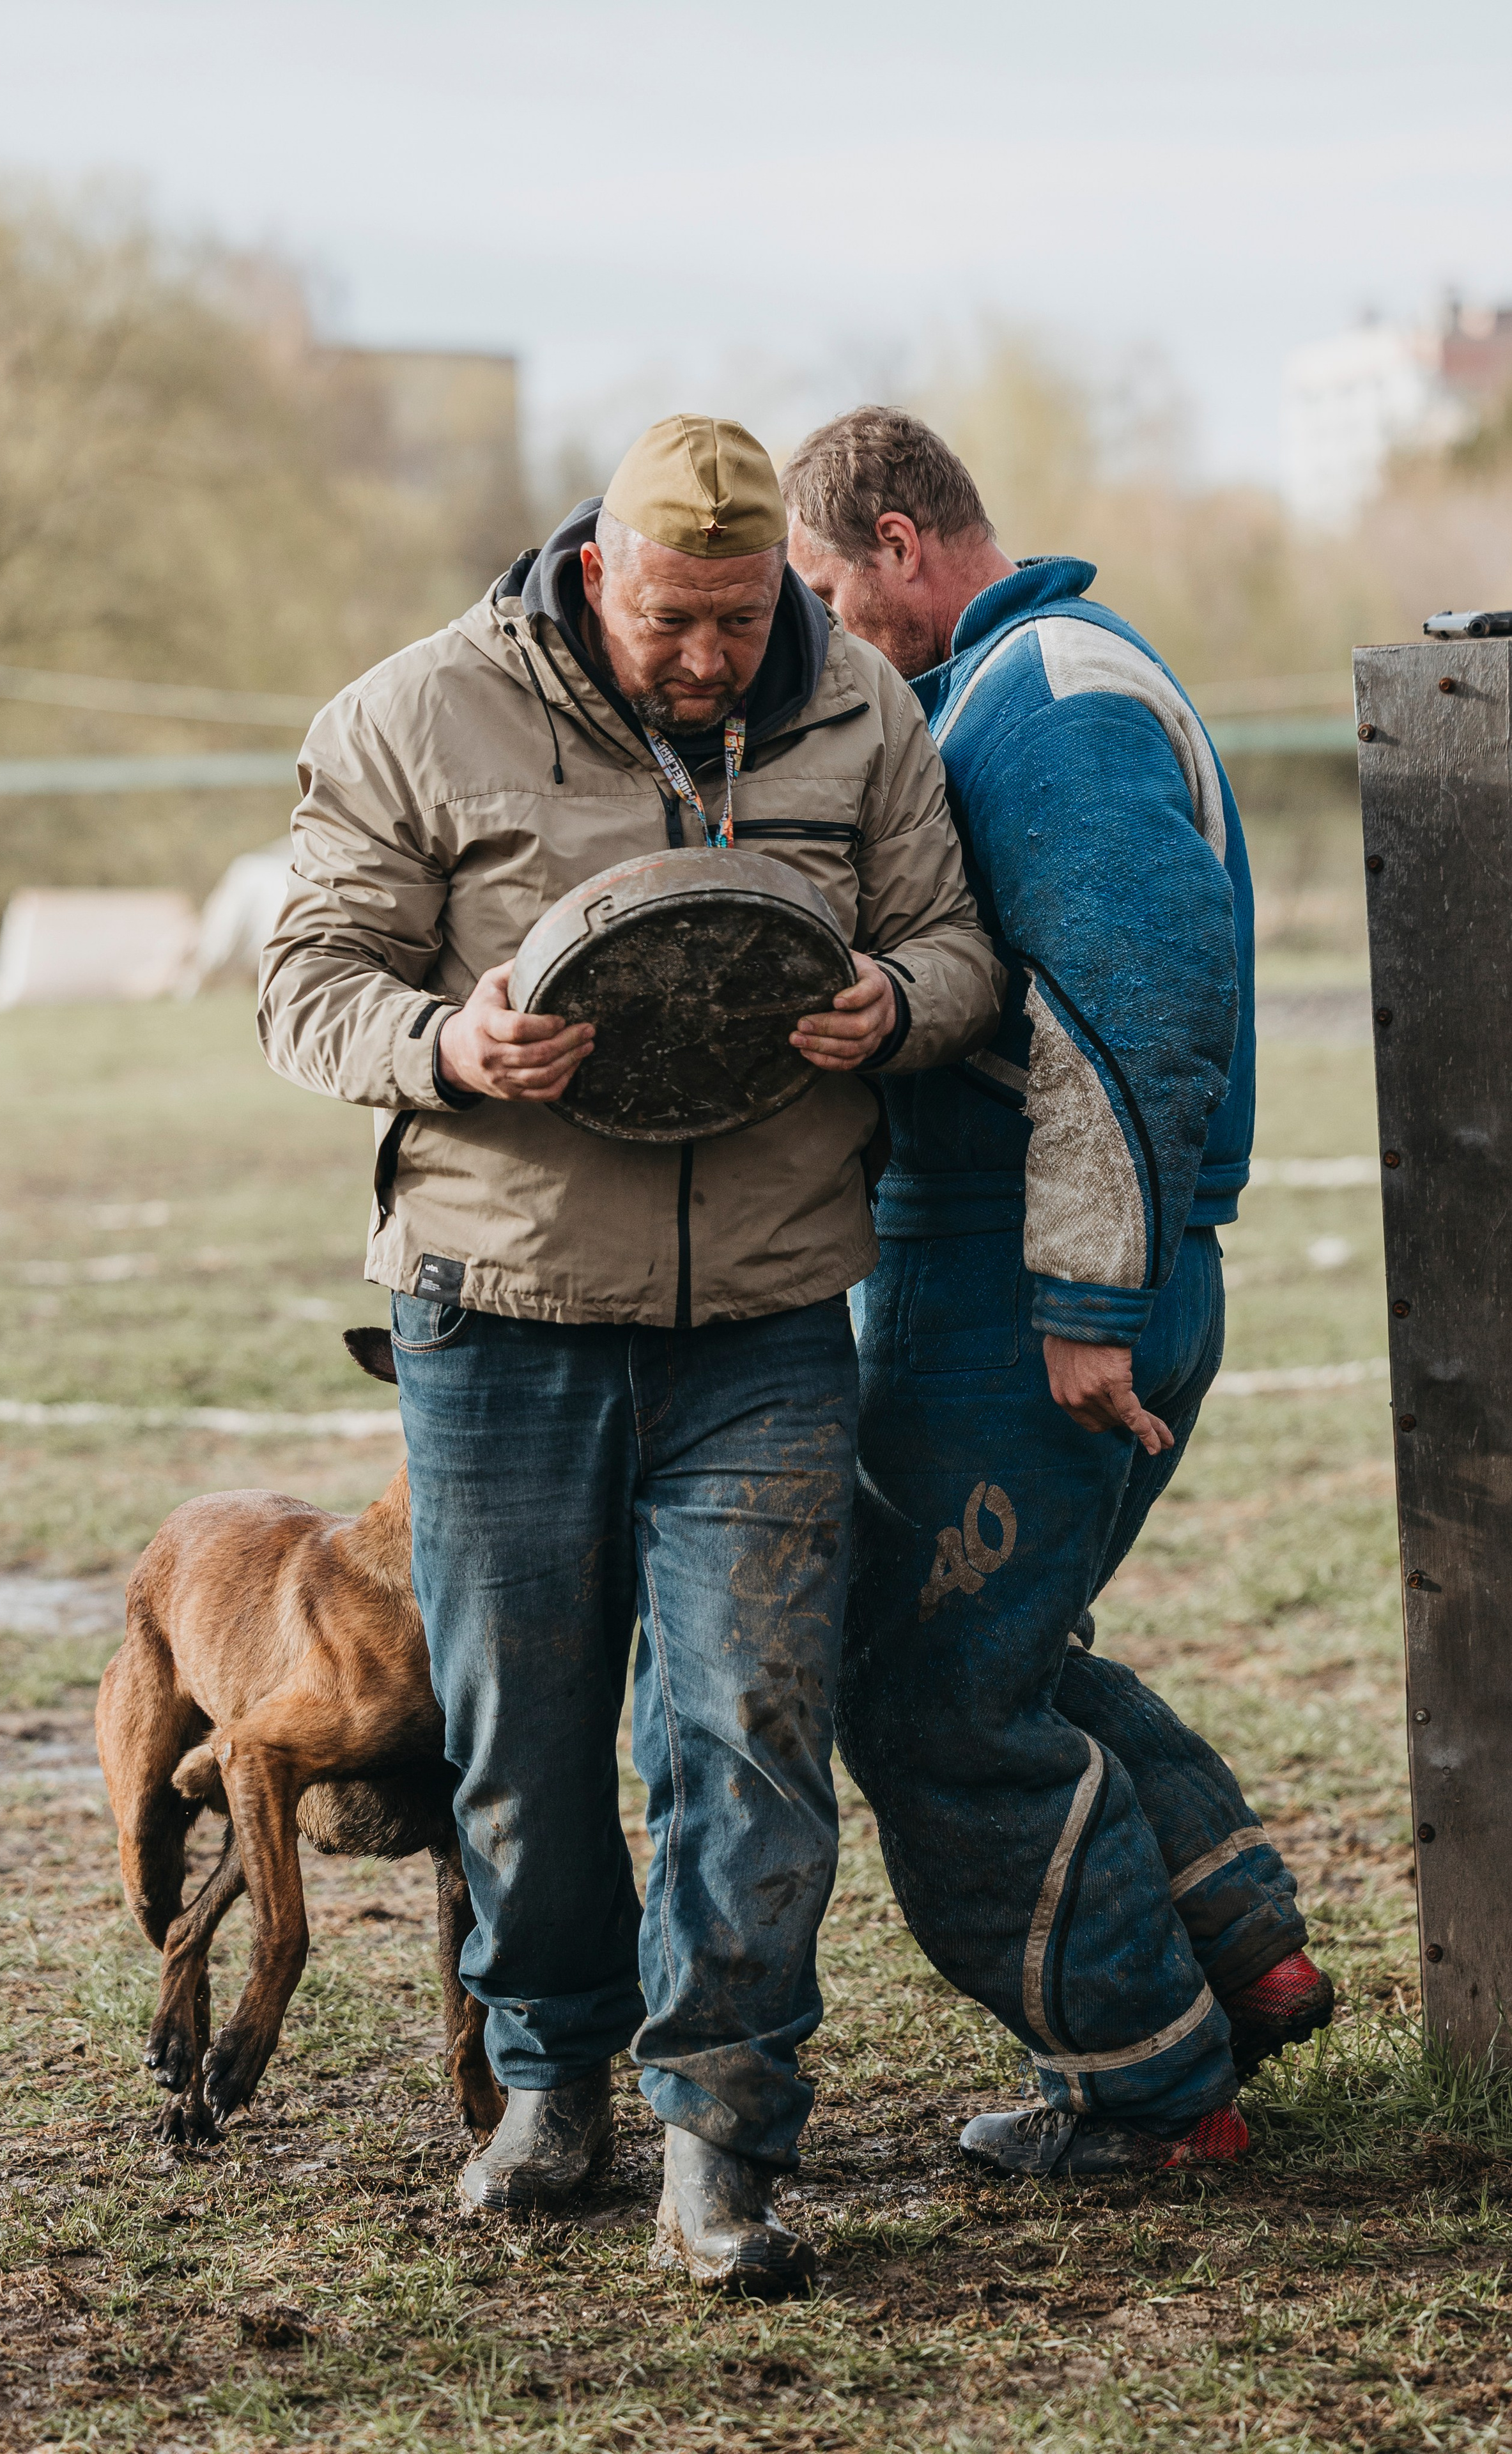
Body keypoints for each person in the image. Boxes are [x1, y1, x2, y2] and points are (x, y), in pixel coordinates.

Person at [258, 416, 1001, 2281]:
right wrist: (447, 1045)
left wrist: (895, 1002)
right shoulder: (415, 714)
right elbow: (306, 984)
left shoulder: (864, 720)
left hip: (763, 1319)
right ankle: (550, 2079)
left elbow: (960, 946)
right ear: (597, 571)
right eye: (675, 617)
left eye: (744, 620)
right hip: (497, 1320)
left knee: (746, 1733)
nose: (709, 656)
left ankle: (724, 2136)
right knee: (517, 1741)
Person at [780, 406, 1334, 2179]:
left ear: (896, 543)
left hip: (1038, 1283)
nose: (816, 634)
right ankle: (1241, 1949)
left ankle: (1153, 2096)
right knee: (1000, 1658)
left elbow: (1129, 1001)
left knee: (934, 1703)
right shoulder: (1006, 683)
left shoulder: (1056, 694)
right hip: (1020, 1266)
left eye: (816, 592)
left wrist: (1085, 1298)